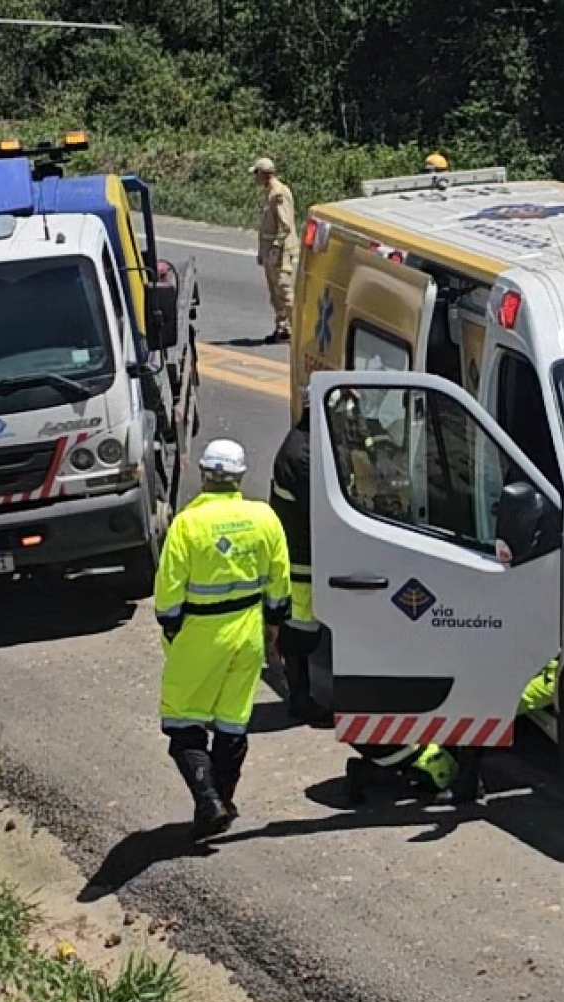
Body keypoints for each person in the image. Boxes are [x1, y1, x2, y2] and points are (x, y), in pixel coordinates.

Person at [155, 439, 291, 841]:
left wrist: (173, 628)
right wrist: (273, 625)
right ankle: (222, 802)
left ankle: (208, 799)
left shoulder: (187, 524)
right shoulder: (263, 517)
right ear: (239, 476)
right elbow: (279, 581)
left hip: (200, 634)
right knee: (233, 722)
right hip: (247, 632)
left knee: (182, 720)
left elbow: (168, 595)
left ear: (204, 475)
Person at [270, 389, 333, 728]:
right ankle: (300, 700)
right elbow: (324, 508)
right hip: (302, 562)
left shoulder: (301, 444)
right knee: (300, 635)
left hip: (300, 555)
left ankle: (301, 695)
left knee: (300, 632)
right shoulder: (304, 455)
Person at [251, 157, 299, 345]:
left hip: (280, 253)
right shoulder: (269, 193)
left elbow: (285, 225)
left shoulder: (279, 194)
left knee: (285, 291)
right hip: (269, 251)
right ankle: (283, 328)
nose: (255, 177)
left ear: (264, 174)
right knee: (274, 293)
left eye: (256, 173)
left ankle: (297, 329)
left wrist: (276, 248)